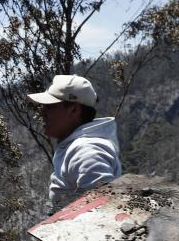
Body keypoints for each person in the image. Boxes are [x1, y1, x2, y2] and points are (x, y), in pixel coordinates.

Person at [27, 74, 122, 213]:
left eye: (50, 106)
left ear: (74, 110)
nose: (42, 112)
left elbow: (102, 211)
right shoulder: (75, 147)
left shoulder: (86, 152)